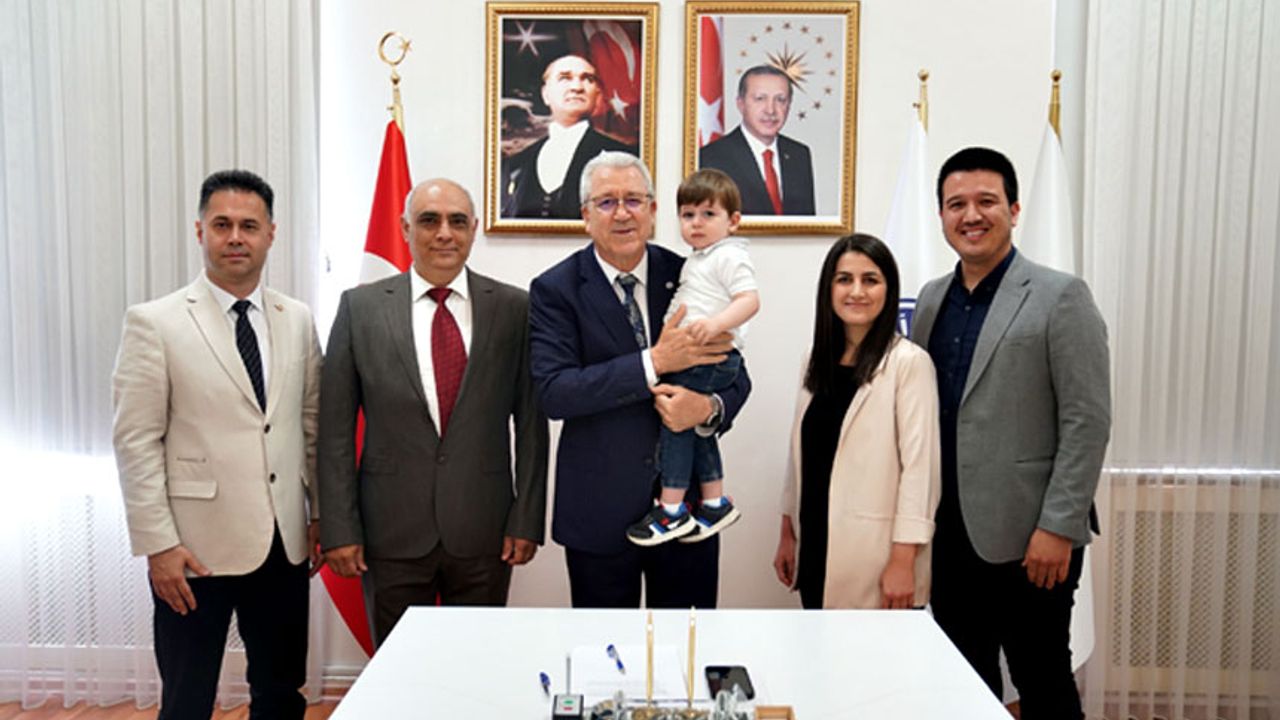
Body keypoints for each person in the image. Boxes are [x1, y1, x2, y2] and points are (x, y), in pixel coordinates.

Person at [111, 169, 321, 718]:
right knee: (187, 698)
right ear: (199, 230)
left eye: (249, 226)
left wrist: (320, 513)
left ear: (271, 233)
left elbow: (311, 424)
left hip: (283, 544)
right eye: (222, 224)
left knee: (280, 693)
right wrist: (158, 544)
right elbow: (136, 441)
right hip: (193, 550)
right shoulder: (154, 322)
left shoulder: (296, 318)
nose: (235, 237)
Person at [909, 147, 1110, 718]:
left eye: (986, 202)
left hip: (1031, 538)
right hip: (949, 534)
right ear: (941, 215)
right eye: (956, 204)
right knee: (962, 685)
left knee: (1042, 681)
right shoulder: (930, 299)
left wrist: (1058, 526)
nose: (971, 215)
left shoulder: (1060, 295)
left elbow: (1087, 419)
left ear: (1014, 210)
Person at [319, 178, 549, 647]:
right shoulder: (360, 308)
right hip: (389, 532)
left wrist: (526, 518)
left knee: (476, 663)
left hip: (484, 530)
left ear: (473, 229)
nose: (444, 233)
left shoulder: (514, 308)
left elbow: (531, 425)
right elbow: (335, 431)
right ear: (405, 228)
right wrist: (339, 527)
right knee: (399, 668)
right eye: (429, 220)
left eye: (457, 221)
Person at [529, 151, 752, 608]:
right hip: (599, 512)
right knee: (606, 648)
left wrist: (707, 409)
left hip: (688, 512)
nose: (622, 213)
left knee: (688, 641)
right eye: (606, 202)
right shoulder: (555, 289)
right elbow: (556, 393)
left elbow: (736, 375)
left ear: (652, 210)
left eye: (633, 200)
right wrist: (654, 361)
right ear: (585, 216)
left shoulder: (689, 271)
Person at [772, 234, 940, 609]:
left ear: (889, 290)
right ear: (828, 289)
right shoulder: (815, 358)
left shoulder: (909, 363)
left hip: (877, 557)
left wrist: (903, 562)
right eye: (844, 279)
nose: (857, 291)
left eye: (871, 280)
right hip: (815, 547)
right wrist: (788, 530)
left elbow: (921, 471)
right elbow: (800, 454)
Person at [625, 168, 759, 546]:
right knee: (699, 431)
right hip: (695, 360)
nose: (696, 223)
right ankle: (714, 502)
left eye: (708, 214)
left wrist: (716, 325)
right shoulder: (699, 258)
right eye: (687, 215)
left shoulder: (728, 255)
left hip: (705, 360)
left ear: (733, 221)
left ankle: (671, 510)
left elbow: (750, 300)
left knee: (677, 425)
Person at [502, 54, 639, 219]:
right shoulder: (517, 163)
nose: (577, 87)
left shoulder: (623, 158)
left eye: (587, 79)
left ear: (597, 95)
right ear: (545, 94)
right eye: (565, 78)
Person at [699, 65, 815, 216]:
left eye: (780, 100)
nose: (770, 110)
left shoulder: (799, 154)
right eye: (760, 99)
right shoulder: (711, 157)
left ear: (789, 105)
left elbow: (807, 222)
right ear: (741, 104)